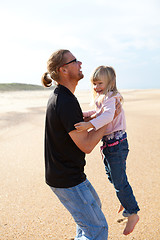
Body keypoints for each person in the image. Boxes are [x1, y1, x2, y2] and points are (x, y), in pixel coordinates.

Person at [41, 49, 110, 240]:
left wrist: (97, 116)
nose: (80, 64)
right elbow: (86, 144)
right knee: (97, 229)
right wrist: (108, 121)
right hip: (67, 179)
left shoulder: (62, 96)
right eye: (75, 61)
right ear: (63, 69)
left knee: (94, 209)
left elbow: (75, 124)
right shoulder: (64, 100)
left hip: (68, 175)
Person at [74, 66, 140, 236]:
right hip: (109, 145)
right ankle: (125, 199)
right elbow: (97, 113)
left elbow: (107, 116)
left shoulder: (111, 98)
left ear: (110, 82)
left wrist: (89, 124)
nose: (96, 87)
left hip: (117, 145)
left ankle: (132, 212)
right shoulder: (103, 97)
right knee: (113, 177)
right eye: (94, 84)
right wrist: (82, 115)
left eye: (100, 83)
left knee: (119, 181)